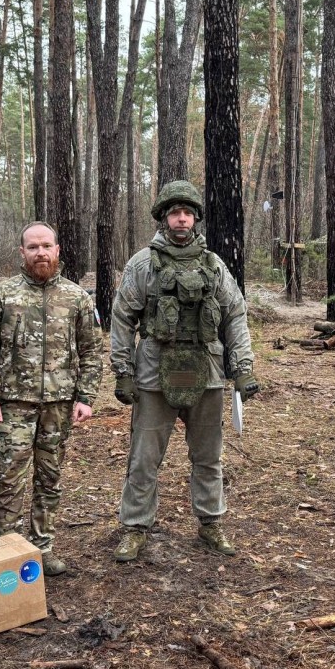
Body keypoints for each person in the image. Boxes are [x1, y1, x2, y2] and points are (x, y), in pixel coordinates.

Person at [109, 180, 260, 563]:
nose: (181, 219)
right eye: (175, 212)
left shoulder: (214, 265)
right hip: (154, 373)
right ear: (163, 217)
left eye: (188, 213)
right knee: (144, 457)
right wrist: (122, 371)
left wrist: (242, 369)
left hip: (206, 371)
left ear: (195, 219)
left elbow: (235, 315)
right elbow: (123, 318)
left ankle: (211, 523)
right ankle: (135, 527)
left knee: (208, 456)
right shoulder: (143, 264)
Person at [0, 222, 103, 576]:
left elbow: (92, 350)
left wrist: (86, 397)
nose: (40, 252)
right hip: (13, 403)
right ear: (22, 252)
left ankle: (41, 547)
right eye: (33, 247)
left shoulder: (77, 298)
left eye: (46, 246)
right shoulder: (1, 296)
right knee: (10, 478)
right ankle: (5, 551)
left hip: (59, 405)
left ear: (58, 250)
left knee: (50, 477)